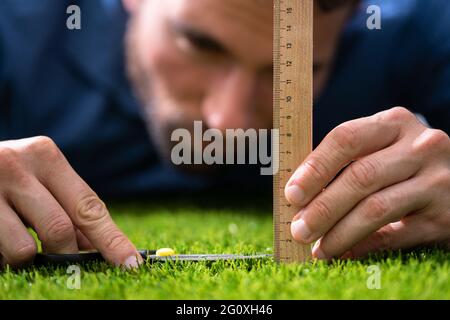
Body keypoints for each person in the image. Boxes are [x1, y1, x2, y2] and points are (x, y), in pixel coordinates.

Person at [0, 0, 449, 268]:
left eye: (288, 71)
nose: (228, 125)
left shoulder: (412, 30)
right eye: (201, 44)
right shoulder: (15, 29)